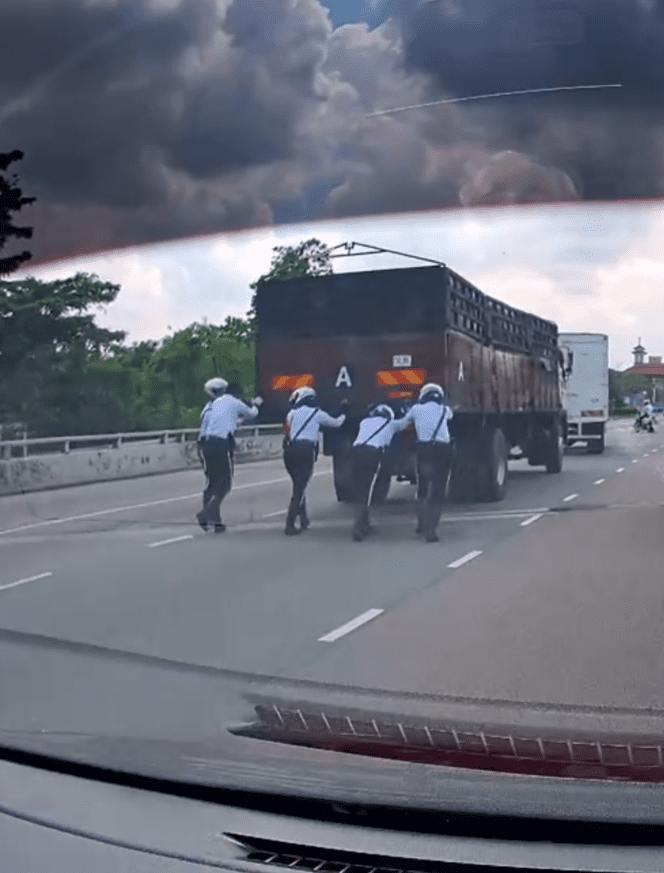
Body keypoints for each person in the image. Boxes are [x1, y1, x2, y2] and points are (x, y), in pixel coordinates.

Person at [197, 377, 263, 533]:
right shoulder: (230, 400)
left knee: (211, 482)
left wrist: (236, 421)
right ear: (223, 390)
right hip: (220, 444)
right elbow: (252, 414)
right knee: (225, 483)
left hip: (204, 445)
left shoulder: (208, 407)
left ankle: (216, 523)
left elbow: (223, 421)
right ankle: (206, 513)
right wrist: (256, 404)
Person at [283, 387, 346, 536]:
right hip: (306, 450)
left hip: (290, 450)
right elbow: (337, 423)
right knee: (300, 487)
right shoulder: (318, 414)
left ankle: (304, 520)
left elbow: (288, 428)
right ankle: (290, 524)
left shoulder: (292, 413)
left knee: (298, 484)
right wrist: (344, 411)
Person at [402, 382, 454, 543]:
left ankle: (421, 524)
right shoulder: (445, 410)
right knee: (438, 491)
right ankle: (432, 529)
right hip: (443, 450)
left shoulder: (416, 410)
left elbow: (403, 423)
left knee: (423, 488)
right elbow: (451, 415)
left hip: (424, 451)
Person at [350, 404, 408, 542]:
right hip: (372, 454)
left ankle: (364, 523)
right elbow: (405, 423)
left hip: (355, 453)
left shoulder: (364, 422)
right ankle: (358, 528)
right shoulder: (391, 424)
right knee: (369, 493)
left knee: (361, 490)